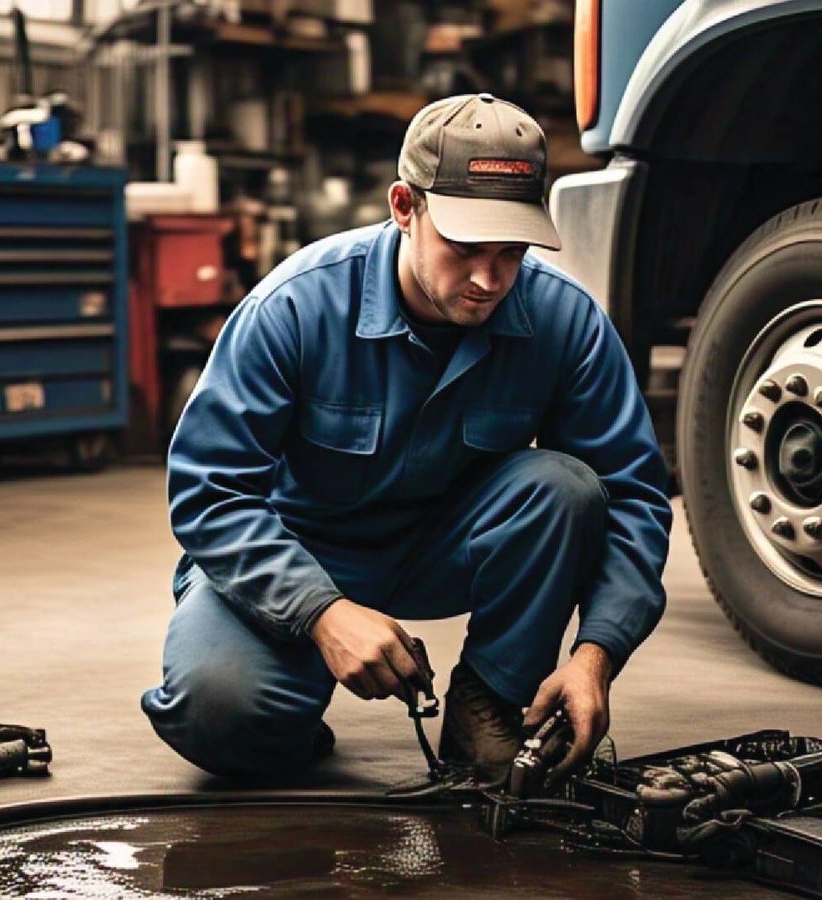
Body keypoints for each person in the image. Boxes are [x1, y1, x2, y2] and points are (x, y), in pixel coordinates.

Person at [142, 93, 672, 783]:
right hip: (302, 547)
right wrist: (321, 613)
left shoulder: (562, 320)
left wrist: (596, 654)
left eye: (511, 251)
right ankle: (286, 708)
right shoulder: (297, 306)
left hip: (445, 546)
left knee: (566, 488)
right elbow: (208, 491)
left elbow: (632, 496)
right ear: (403, 206)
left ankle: (490, 703)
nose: (489, 279)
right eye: (465, 246)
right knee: (219, 714)